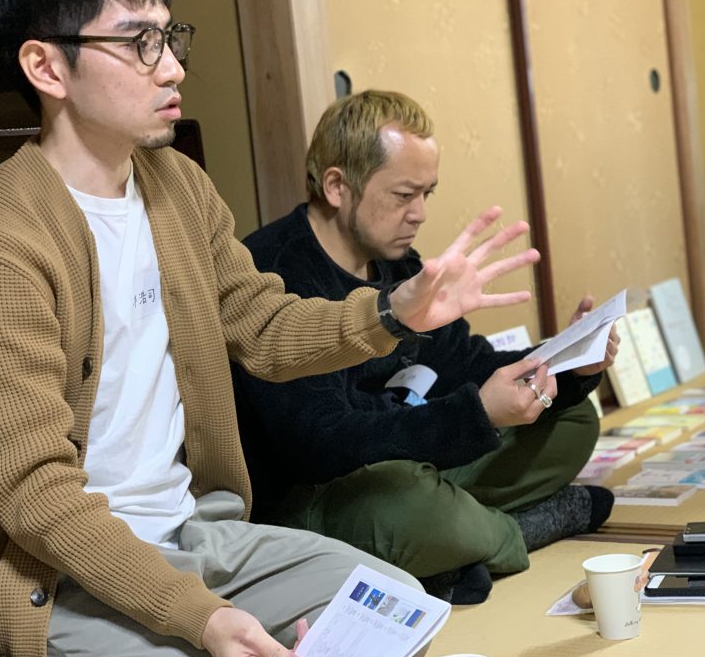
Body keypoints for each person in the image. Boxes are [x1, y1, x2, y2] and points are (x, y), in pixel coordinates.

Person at [0, 0, 541, 657]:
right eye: (138, 42)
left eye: (168, 37)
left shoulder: (176, 185)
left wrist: (393, 312)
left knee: (394, 610)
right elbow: (36, 497)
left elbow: (264, 327)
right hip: (50, 576)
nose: (172, 68)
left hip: (193, 535)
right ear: (46, 67)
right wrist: (203, 617)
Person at [232, 90, 617, 606]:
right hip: (315, 497)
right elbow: (321, 446)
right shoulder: (274, 273)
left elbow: (466, 363)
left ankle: (457, 546)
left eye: (426, 195)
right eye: (403, 195)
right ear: (337, 186)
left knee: (571, 417)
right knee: (411, 505)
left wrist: (568, 361)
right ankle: (515, 532)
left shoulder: (398, 263)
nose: (418, 215)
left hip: (409, 460)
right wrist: (474, 416)